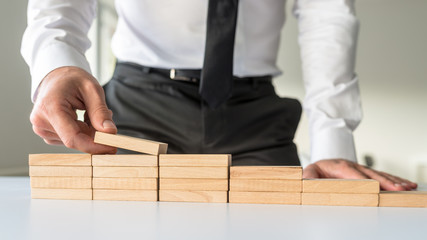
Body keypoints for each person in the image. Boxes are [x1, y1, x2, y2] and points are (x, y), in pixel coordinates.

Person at [21, 0, 416, 191]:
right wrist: (56, 67)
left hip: (255, 115)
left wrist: (332, 140)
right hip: (134, 112)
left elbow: (326, 11)